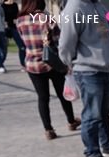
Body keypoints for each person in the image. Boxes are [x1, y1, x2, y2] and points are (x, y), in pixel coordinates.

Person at [59, 0, 109, 157]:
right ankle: (91, 151)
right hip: (87, 69)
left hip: (105, 67)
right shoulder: (75, 7)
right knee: (92, 113)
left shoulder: (97, 5)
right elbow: (66, 40)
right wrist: (68, 62)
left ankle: (107, 144)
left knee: (104, 111)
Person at [16, 0, 80, 140]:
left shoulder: (20, 21)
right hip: (52, 63)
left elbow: (23, 40)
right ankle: (71, 121)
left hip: (32, 64)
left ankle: (48, 129)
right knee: (62, 93)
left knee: (42, 98)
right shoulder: (47, 19)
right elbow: (59, 42)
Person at [2, 0, 25, 70]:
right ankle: (0, 64)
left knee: (22, 46)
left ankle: (23, 64)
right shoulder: (2, 6)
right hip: (5, 28)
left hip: (14, 28)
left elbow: (17, 15)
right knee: (3, 48)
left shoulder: (15, 4)